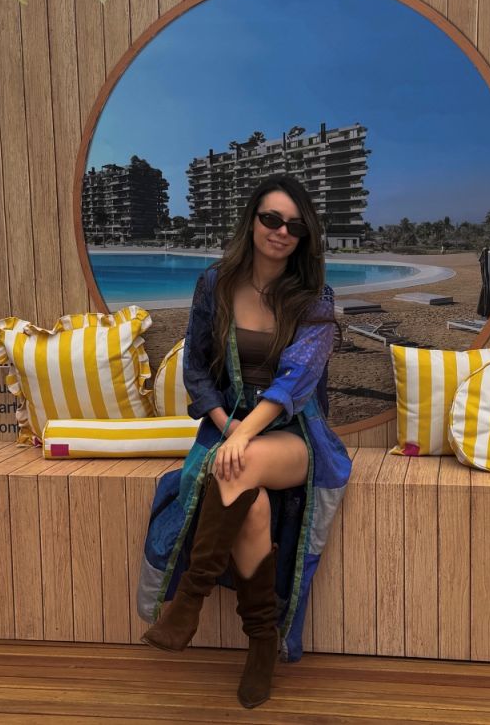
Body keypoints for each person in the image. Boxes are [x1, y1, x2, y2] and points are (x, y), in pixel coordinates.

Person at [137, 175, 351, 709]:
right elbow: (196, 369)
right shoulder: (215, 283)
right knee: (248, 503)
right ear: (252, 220)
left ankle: (188, 600)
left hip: (295, 434)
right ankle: (262, 644)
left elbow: (295, 382)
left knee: (239, 462)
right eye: (271, 219)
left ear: (305, 237)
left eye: (294, 226)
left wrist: (245, 432)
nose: (281, 232)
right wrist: (225, 426)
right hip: (229, 426)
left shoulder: (315, 299)